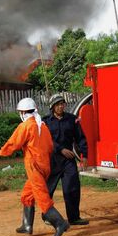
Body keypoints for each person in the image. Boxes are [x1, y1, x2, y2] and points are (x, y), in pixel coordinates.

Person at [0, 97, 70, 236]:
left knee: (42, 197)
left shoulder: (26, 126)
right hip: (45, 165)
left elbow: (14, 144)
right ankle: (27, 225)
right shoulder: (43, 126)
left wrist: (0, 152)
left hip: (34, 167)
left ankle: (60, 223)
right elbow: (50, 147)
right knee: (27, 195)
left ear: (23, 113)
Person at [43, 94, 89, 226]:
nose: (61, 106)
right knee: (48, 190)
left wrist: (84, 155)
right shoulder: (46, 121)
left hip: (69, 161)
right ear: (52, 107)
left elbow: (80, 138)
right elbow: (47, 140)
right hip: (53, 160)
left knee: (72, 188)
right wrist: (60, 149)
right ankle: (48, 216)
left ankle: (74, 217)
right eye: (58, 104)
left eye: (62, 103)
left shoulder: (72, 120)